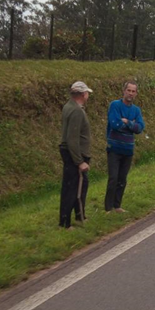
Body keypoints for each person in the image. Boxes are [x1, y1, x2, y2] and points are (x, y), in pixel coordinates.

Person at [105, 81, 145, 214]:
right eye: (129, 90)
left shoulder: (136, 110)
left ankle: (117, 206)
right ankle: (108, 207)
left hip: (128, 150)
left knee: (122, 179)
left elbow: (140, 128)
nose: (131, 93)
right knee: (113, 178)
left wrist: (127, 122)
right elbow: (115, 124)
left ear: (136, 94)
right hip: (114, 148)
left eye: (133, 91)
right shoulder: (115, 105)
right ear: (124, 91)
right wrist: (132, 126)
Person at [59, 81, 93, 229]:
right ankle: (65, 223)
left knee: (79, 185)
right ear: (83, 94)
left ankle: (79, 215)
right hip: (75, 155)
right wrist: (80, 161)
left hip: (71, 153)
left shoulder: (69, 106)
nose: (88, 96)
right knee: (73, 188)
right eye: (87, 93)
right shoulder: (76, 111)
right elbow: (72, 139)